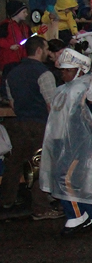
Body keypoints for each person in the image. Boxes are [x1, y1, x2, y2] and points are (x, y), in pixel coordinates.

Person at [39, 49, 92, 235]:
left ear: (79, 71)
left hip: (78, 145)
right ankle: (90, 213)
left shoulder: (86, 90)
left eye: (68, 70)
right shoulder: (62, 90)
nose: (63, 73)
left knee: (67, 179)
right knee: (75, 179)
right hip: (62, 143)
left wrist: (91, 103)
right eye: (62, 70)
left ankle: (77, 214)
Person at [0, 36, 62, 219]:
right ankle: (41, 208)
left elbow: (12, 102)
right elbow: (51, 105)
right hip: (40, 124)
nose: (47, 52)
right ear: (39, 50)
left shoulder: (12, 73)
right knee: (37, 165)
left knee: (15, 163)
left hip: (18, 124)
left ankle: (6, 200)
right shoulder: (44, 73)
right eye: (46, 48)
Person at [0, 0, 31, 73]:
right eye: (24, 12)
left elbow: (30, 37)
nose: (26, 14)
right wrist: (9, 46)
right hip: (8, 61)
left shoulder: (25, 26)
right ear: (16, 13)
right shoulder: (5, 26)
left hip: (23, 60)